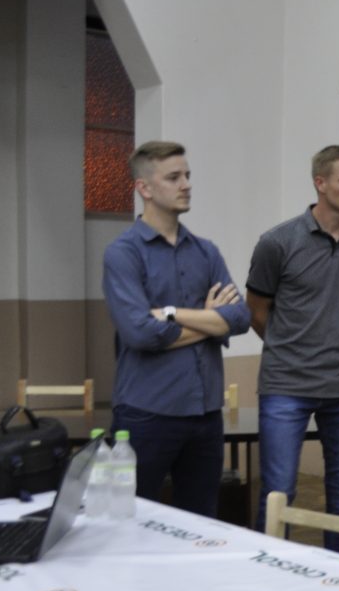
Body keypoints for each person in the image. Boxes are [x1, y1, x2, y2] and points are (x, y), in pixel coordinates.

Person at [246, 145, 339, 552]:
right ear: (320, 183)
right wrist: (292, 347)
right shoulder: (277, 242)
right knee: (278, 492)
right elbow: (256, 311)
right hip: (285, 385)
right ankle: (269, 572)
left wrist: (336, 340)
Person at [102, 141, 251, 516]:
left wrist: (169, 314)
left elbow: (240, 317)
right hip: (146, 413)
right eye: (173, 177)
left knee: (200, 522)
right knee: (132, 518)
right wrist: (209, 322)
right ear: (145, 188)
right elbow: (140, 333)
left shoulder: (206, 251)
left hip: (205, 414)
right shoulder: (123, 253)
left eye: (187, 175)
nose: (186, 184)